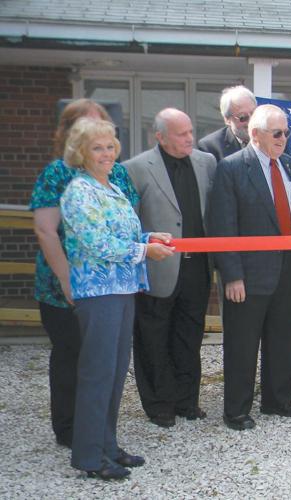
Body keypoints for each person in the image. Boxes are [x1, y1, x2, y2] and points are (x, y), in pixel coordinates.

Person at [60, 117, 174, 479]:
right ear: (81, 152)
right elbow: (98, 243)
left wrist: (149, 237)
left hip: (122, 289)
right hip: (99, 292)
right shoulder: (79, 192)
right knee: (98, 373)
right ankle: (90, 456)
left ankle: (107, 445)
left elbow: (124, 233)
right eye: (97, 148)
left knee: (113, 372)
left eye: (110, 146)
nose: (106, 153)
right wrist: (144, 251)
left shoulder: (110, 187)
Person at [30, 99, 140, 449]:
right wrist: (67, 280)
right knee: (72, 357)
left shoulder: (116, 174)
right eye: (86, 127)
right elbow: (47, 230)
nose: (101, 143)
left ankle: (98, 438)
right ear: (71, 134)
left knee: (107, 365)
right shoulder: (60, 175)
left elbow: (128, 223)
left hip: (113, 284)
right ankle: (72, 433)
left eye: (103, 129)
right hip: (67, 281)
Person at [207, 104, 291, 430]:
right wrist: (232, 275)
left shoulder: (288, 164)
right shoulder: (232, 168)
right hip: (249, 274)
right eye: (276, 133)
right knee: (243, 344)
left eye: (286, 133)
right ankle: (237, 410)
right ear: (255, 134)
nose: (283, 138)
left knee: (282, 340)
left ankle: (277, 401)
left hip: (287, 267)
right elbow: (223, 225)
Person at [123, 108, 217, 427]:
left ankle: (187, 400)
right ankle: (159, 404)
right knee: (153, 339)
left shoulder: (207, 163)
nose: (190, 138)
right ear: (160, 137)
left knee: (189, 336)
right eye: (181, 134)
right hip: (157, 269)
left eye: (191, 131)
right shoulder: (135, 168)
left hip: (197, 269)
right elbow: (131, 223)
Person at [197, 85, 257, 163]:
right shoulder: (211, 147)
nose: (251, 121)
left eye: (254, 113)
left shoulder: (269, 137)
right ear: (227, 120)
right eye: (242, 117)